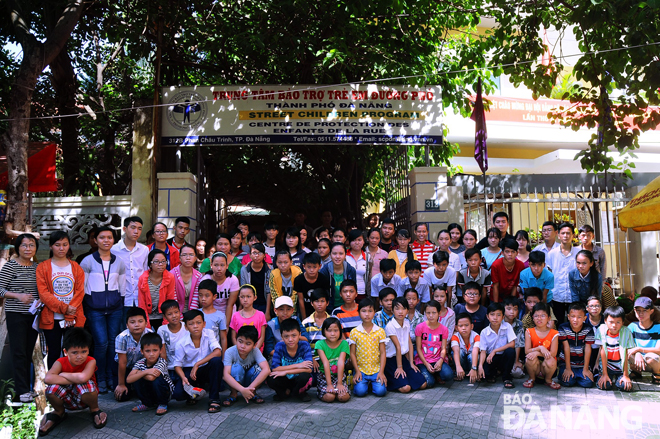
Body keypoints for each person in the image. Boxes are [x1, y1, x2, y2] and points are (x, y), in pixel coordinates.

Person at [81, 225, 126, 394]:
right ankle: (99, 378)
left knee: (114, 344)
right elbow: (83, 287)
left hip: (115, 309)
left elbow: (122, 286)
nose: (106, 240)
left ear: (114, 240)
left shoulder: (118, 261)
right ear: (95, 240)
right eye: (102, 237)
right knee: (101, 343)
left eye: (109, 237)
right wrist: (89, 304)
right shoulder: (87, 261)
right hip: (95, 309)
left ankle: (110, 377)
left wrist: (119, 303)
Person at [39, 328, 106, 435]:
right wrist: (75, 379)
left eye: (84, 351)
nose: (80, 356)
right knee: (51, 389)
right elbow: (48, 379)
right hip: (67, 399)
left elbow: (83, 378)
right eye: (75, 352)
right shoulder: (60, 362)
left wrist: (63, 374)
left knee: (87, 384)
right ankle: (59, 412)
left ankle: (94, 409)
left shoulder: (91, 360)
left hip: (85, 399)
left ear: (88, 350)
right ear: (65, 352)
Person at [37, 231, 86, 369]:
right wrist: (65, 308)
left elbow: (80, 292)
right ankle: (55, 383)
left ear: (69, 246)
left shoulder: (76, 267)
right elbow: (44, 294)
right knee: (53, 351)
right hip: (52, 317)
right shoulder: (43, 267)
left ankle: (73, 380)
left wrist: (70, 313)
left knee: (74, 351)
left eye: (65, 245)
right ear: (51, 246)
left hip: (73, 317)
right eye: (57, 245)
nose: (61, 248)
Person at [0, 234, 39, 402]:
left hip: (34, 315)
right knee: (19, 352)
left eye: (31, 245)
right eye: (24, 245)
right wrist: (17, 296)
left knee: (28, 350)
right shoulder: (11, 266)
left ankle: (27, 389)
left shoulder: (38, 267)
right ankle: (21, 391)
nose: (28, 248)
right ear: (18, 247)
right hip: (16, 314)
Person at [172, 309, 224, 412]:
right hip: (190, 371)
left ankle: (214, 399)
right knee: (178, 394)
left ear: (204, 324)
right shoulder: (181, 343)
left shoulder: (209, 333)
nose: (195, 326)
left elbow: (218, 352)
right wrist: (183, 378)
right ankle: (195, 393)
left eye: (198, 323)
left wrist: (197, 364)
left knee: (216, 362)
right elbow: (177, 365)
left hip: (205, 368)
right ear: (186, 327)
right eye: (191, 324)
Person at [383, 297, 427, 393]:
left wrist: (411, 362)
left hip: (403, 358)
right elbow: (397, 347)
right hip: (391, 361)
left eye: (403, 308)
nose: (400, 312)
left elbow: (409, 343)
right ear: (392, 310)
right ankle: (390, 380)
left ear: (407, 310)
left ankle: (404, 379)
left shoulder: (406, 323)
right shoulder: (390, 326)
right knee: (406, 388)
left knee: (423, 384)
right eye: (397, 308)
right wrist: (399, 367)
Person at [266, 318, 314, 401]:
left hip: (297, 378)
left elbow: (309, 369)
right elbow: (275, 368)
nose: (290, 339)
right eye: (286, 336)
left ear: (299, 334)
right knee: (270, 378)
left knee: (305, 376)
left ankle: (297, 392)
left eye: (294, 335)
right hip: (285, 379)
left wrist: (286, 371)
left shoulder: (304, 345)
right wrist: (299, 365)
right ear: (282, 337)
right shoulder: (279, 346)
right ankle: (286, 392)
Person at [349, 298, 388, 397]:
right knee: (360, 392)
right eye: (363, 311)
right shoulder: (355, 332)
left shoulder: (379, 331)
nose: (367, 314)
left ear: (375, 312)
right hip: (361, 370)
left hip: (376, 370)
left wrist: (382, 372)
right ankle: (366, 384)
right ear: (359, 313)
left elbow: (383, 352)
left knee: (381, 392)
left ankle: (373, 384)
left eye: (370, 311)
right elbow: (352, 353)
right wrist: (357, 371)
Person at [126, 332, 173, 415]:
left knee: (156, 379)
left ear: (160, 350)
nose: (151, 354)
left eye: (155, 350)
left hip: (164, 392)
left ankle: (162, 403)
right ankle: (147, 404)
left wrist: (139, 373)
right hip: (149, 391)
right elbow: (129, 379)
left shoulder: (161, 362)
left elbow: (152, 378)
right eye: (147, 351)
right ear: (142, 351)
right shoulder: (140, 362)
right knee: (136, 379)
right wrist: (146, 371)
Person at [222, 326, 271, 406]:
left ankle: (252, 393)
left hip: (249, 381)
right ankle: (233, 393)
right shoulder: (230, 352)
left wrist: (249, 389)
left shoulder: (255, 351)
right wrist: (242, 389)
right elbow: (225, 375)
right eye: (240, 341)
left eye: (248, 343)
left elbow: (267, 369)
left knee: (259, 369)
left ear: (254, 345)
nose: (242, 346)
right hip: (235, 380)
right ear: (236, 339)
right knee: (236, 367)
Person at [114, 306, 152, 402]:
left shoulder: (150, 334)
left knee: (146, 393)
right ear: (127, 325)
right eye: (132, 322)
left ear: (146, 323)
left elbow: (150, 358)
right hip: (124, 366)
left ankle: (136, 385)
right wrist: (121, 384)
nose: (137, 325)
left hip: (141, 367)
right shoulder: (122, 337)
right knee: (122, 396)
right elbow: (122, 363)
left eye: (140, 321)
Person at [112, 216, 149, 314]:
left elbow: (146, 273)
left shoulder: (144, 250)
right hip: (121, 298)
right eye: (133, 227)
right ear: (124, 229)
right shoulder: (113, 250)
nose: (136, 231)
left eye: (139, 228)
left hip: (140, 297)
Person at [546, 222, 580, 324]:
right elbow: (549, 274)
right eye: (563, 233)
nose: (566, 236)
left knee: (575, 323)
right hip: (557, 295)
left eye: (568, 233)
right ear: (558, 235)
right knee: (558, 323)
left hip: (574, 295)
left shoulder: (579, 252)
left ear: (573, 235)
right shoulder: (552, 254)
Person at [595, 306, 635, 391]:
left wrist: (625, 376)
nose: (614, 325)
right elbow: (602, 351)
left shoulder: (626, 332)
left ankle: (620, 378)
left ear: (623, 322)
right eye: (611, 322)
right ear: (605, 321)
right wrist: (604, 374)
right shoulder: (601, 330)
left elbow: (626, 354)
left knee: (625, 386)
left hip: (620, 367)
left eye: (618, 322)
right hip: (607, 366)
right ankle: (603, 375)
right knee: (605, 385)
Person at [478, 302, 517, 388]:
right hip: (490, 358)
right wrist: (480, 365)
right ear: (487, 316)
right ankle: (495, 372)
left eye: (498, 315)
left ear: (503, 317)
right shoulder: (484, 332)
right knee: (486, 375)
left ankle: (507, 377)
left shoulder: (507, 327)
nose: (495, 318)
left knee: (510, 352)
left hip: (503, 356)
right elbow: (483, 351)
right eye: (492, 314)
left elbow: (512, 344)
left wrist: (495, 351)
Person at [522, 302, 560, 389]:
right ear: (532, 317)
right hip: (534, 367)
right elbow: (527, 351)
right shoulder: (529, 331)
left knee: (551, 360)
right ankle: (531, 378)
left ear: (549, 318)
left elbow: (553, 353)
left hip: (548, 368)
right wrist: (540, 348)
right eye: (536, 315)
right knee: (529, 357)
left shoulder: (554, 333)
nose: (539, 318)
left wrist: (536, 353)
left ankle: (548, 380)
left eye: (543, 315)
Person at [415, 300, 453, 387]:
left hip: (437, 359)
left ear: (439, 313)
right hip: (423, 360)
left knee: (448, 375)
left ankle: (436, 373)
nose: (431, 315)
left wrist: (440, 360)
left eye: (434, 313)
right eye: (428, 313)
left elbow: (443, 348)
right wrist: (426, 363)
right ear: (425, 313)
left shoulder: (444, 329)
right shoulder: (420, 327)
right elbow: (418, 348)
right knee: (430, 383)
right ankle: (431, 374)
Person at [557, 302, 596, 388]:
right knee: (568, 382)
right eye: (573, 316)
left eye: (579, 317)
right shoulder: (563, 328)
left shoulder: (588, 329)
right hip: (566, 363)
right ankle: (571, 375)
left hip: (582, 364)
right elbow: (566, 347)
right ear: (568, 317)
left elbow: (588, 348)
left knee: (588, 383)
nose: (575, 320)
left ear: (584, 318)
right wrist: (568, 368)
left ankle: (577, 376)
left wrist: (586, 369)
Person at [314, 317, 351, 402]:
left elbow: (341, 362)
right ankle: (321, 392)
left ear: (340, 331)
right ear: (324, 331)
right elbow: (326, 363)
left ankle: (338, 389)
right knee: (330, 397)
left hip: (340, 376)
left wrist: (340, 383)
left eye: (335, 330)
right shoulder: (319, 344)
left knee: (343, 397)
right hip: (324, 376)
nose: (333, 334)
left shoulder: (344, 343)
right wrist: (329, 384)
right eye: (329, 330)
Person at [138, 249, 175, 330]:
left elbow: (170, 301)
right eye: (156, 261)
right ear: (150, 264)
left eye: (163, 261)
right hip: (147, 316)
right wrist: (146, 323)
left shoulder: (170, 277)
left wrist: (166, 322)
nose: (160, 264)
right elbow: (142, 304)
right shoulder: (143, 279)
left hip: (163, 315)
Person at [200, 251, 240, 324]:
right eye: (216, 265)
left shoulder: (233, 280)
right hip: (210, 313)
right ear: (211, 265)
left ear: (227, 266)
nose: (219, 268)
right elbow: (204, 303)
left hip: (228, 313)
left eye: (222, 265)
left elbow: (230, 305)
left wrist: (226, 325)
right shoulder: (206, 279)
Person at [627, 296, 660, 381]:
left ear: (651, 311)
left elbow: (658, 350)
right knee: (625, 352)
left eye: (644, 310)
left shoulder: (658, 327)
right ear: (634, 311)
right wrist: (637, 353)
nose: (641, 313)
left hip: (652, 360)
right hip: (637, 359)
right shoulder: (632, 326)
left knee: (650, 357)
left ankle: (657, 373)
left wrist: (640, 349)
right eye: (638, 310)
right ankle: (636, 371)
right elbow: (628, 345)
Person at [229, 285, 267, 351]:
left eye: (248, 296)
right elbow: (233, 337)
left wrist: (254, 352)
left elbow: (262, 337)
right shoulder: (235, 315)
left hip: (256, 352)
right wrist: (240, 350)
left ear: (255, 298)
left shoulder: (261, 315)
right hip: (240, 352)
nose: (245, 300)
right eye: (242, 297)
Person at [320, 242, 357, 310]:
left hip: (346, 306)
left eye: (341, 253)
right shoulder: (324, 272)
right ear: (330, 254)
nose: (337, 256)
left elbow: (353, 290)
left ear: (345, 255)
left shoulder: (351, 270)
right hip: (329, 307)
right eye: (334, 253)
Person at [294, 252, 329, 319]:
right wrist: (304, 319)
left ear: (320, 266)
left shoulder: (323, 279)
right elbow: (301, 300)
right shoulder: (299, 280)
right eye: (309, 267)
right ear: (304, 266)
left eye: (314, 267)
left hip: (319, 309)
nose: (312, 270)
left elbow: (324, 299)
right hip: (305, 309)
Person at [157, 300, 188, 374]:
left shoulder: (186, 326)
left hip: (186, 366)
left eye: (176, 312)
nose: (174, 316)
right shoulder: (162, 330)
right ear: (164, 316)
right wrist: (165, 371)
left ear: (180, 312)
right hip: (170, 367)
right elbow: (163, 352)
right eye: (170, 314)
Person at [269, 251, 302, 319]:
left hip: (294, 309)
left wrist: (290, 312)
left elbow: (295, 294)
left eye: (286, 262)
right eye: (280, 262)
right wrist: (281, 312)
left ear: (291, 262)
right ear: (276, 263)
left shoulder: (297, 272)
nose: (283, 265)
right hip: (279, 309)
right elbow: (275, 295)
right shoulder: (273, 274)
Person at [240, 243, 272, 315]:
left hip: (265, 304)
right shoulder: (244, 269)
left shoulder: (269, 269)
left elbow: (269, 292)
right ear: (250, 255)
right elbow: (243, 289)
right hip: (249, 303)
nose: (257, 255)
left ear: (264, 255)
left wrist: (267, 312)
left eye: (260, 253)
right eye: (254, 253)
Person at [489, 239, 525, 304]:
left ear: (517, 253)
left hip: (511, 296)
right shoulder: (496, 265)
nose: (510, 254)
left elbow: (515, 285)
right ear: (502, 253)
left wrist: (511, 303)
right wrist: (496, 305)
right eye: (507, 251)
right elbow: (495, 286)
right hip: (497, 296)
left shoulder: (520, 265)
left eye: (513, 252)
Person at [197, 279, 228, 352]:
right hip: (198, 353)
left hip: (214, 353)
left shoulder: (220, 316)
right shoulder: (196, 314)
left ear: (214, 296)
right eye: (200, 295)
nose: (203, 299)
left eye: (207, 296)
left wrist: (224, 359)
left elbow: (223, 338)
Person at [171, 244, 203, 312]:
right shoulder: (172, 274)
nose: (188, 258)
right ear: (180, 258)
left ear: (195, 258)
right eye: (184, 255)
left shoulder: (198, 276)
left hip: (192, 312)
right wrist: (179, 317)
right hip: (174, 312)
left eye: (191, 255)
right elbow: (173, 299)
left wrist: (190, 317)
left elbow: (195, 299)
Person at [451, 313, 480, 383]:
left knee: (473, 355)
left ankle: (473, 372)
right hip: (461, 363)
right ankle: (460, 373)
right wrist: (458, 366)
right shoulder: (455, 336)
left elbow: (476, 350)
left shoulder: (476, 336)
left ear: (472, 326)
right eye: (460, 326)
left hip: (472, 363)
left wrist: (474, 368)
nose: (464, 328)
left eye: (466, 325)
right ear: (456, 328)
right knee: (459, 352)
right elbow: (456, 351)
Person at [503, 296, 526, 379]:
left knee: (518, 373)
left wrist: (516, 361)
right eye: (508, 309)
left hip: (513, 354)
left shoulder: (519, 324)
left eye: (515, 309)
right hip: (499, 353)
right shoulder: (498, 322)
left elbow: (518, 343)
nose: (512, 312)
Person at [301, 288, 331, 353]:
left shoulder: (333, 321)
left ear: (327, 303)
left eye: (322, 301)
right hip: (311, 358)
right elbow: (303, 345)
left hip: (330, 357)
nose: (319, 304)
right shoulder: (305, 323)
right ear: (312, 303)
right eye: (316, 301)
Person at [365, 229, 389, 296]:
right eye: (372, 238)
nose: (374, 240)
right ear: (367, 238)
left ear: (380, 239)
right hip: (365, 287)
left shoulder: (384, 254)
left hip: (380, 286)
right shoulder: (363, 253)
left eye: (377, 238)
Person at [346, 229, 367, 299]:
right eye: (354, 240)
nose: (357, 242)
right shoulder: (344, 256)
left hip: (362, 292)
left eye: (359, 240)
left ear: (364, 241)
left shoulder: (367, 257)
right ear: (349, 242)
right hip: (347, 292)